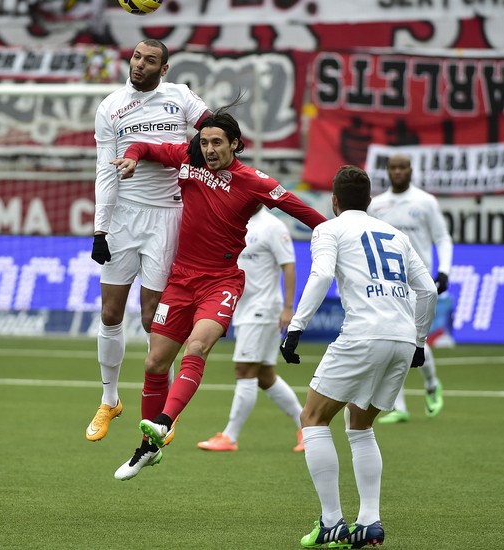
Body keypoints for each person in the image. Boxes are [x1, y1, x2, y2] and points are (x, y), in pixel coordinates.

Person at [110, 107, 327, 481]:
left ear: (235, 144)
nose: (208, 149)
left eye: (216, 143)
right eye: (204, 142)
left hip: (221, 282)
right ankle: (148, 448)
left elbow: (305, 213)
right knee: (154, 364)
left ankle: (163, 424)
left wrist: (343, 234)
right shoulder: (186, 158)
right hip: (180, 280)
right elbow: (144, 147)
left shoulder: (254, 181)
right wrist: (130, 158)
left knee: (197, 348)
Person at [279, 165, 437, 549]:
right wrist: (417, 342)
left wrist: (295, 327)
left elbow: (320, 277)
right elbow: (428, 291)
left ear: (334, 201)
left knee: (313, 418)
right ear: (369, 202)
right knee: (360, 425)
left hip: (364, 334)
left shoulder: (328, 229)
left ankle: (332, 522)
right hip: (401, 337)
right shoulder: (395, 234)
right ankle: (369, 522)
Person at [86, 39, 211, 443]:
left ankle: (162, 414)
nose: (139, 65)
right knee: (109, 312)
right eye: (137, 57)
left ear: (165, 68)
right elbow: (105, 171)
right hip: (123, 217)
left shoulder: (180, 97)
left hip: (168, 217)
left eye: (150, 60)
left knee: (154, 317)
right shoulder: (110, 107)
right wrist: (99, 228)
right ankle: (109, 400)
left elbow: (213, 130)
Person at [196, 205, 306, 453]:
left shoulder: (272, 226)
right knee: (265, 376)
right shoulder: (232, 220)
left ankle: (229, 437)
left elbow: (288, 266)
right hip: (244, 308)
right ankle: (308, 428)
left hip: (263, 308)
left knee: (244, 370)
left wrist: (289, 307)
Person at [367, 153, 452, 423]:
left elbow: (443, 238)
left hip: (418, 282)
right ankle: (398, 406)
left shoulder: (425, 202)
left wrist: (445, 270)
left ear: (410, 170)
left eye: (402, 167)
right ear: (387, 171)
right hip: (388, 283)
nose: (398, 172)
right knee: (391, 341)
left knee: (415, 340)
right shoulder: (377, 205)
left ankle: (431, 384)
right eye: (393, 167)